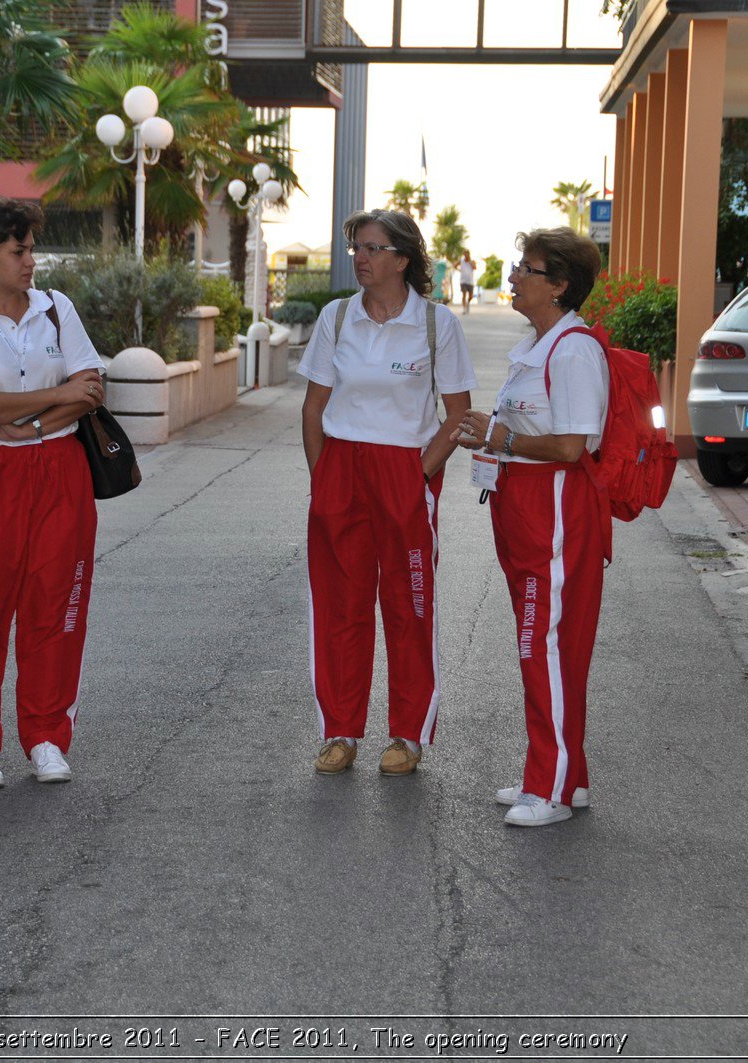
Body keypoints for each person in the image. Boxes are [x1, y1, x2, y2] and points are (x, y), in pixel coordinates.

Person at [0, 200, 108, 790]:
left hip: (61, 470)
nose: (31, 261)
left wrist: (29, 422)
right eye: (18, 251)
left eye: (32, 248)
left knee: (56, 607)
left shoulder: (57, 309)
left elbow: (90, 392)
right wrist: (55, 401)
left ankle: (46, 737)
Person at [299, 209, 475, 777]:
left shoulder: (436, 324)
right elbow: (314, 406)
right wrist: (322, 477)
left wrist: (418, 476)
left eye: (373, 248)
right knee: (340, 607)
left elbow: (459, 415)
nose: (361, 258)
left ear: (402, 259)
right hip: (341, 466)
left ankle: (407, 733)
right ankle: (340, 731)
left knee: (408, 605)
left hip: (405, 468)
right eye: (356, 247)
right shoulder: (337, 316)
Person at [451, 227, 609, 828]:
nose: (514, 277)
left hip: (555, 513)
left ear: (560, 286)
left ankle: (551, 786)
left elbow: (572, 447)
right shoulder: (541, 344)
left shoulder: (571, 350)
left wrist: (503, 436)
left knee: (542, 647)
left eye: (528, 269)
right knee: (545, 645)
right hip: (523, 508)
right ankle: (565, 773)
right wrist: (495, 437)